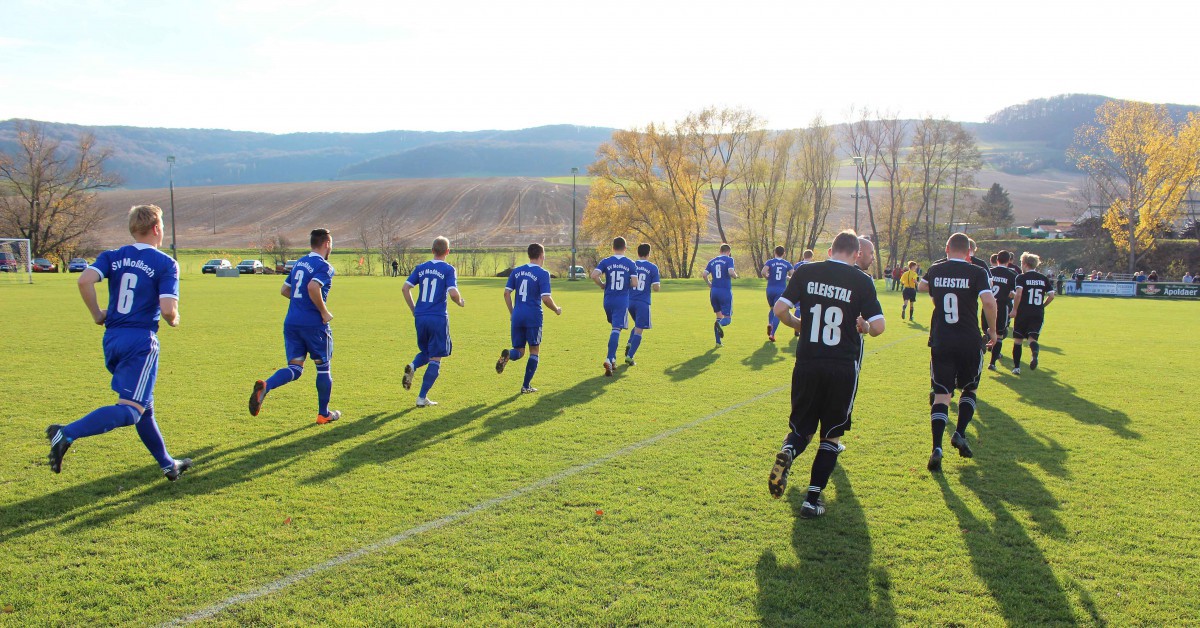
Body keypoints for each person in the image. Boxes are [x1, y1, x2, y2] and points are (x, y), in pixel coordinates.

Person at [48, 204, 191, 480]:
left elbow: (84, 280)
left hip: (112, 338)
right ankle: (65, 433)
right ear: (157, 228)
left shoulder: (114, 256)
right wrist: (174, 319)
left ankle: (168, 465)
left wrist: (97, 314)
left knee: (143, 406)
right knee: (131, 411)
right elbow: (167, 310)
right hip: (140, 341)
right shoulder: (165, 263)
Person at [766, 230, 885, 518]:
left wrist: (798, 324)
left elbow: (780, 308)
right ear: (856, 254)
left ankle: (790, 452)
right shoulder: (862, 280)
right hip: (841, 366)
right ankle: (812, 500)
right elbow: (878, 327)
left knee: (801, 429)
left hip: (807, 363)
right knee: (831, 435)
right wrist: (865, 327)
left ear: (830, 249)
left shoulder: (807, 272)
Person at [918, 233, 998, 472]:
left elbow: (922, 286)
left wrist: (936, 292)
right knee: (969, 389)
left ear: (946, 248)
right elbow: (989, 302)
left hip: (942, 339)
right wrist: (992, 331)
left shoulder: (936, 269)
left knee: (942, 394)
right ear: (968, 252)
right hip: (968, 340)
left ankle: (937, 448)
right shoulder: (977, 272)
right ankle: (960, 433)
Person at [249, 228, 342, 424]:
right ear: (326, 244)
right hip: (313, 324)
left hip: (291, 322)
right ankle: (323, 414)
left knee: (295, 368)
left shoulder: (299, 263)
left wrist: (302, 303)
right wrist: (323, 311)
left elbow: (285, 290)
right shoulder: (324, 266)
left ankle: (266, 385)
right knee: (323, 368)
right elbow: (312, 287)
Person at [401, 236, 465, 407]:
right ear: (447, 252)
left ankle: (413, 366)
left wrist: (414, 309)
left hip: (421, 316)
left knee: (427, 352)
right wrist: (460, 302)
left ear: (432, 250)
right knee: (436, 358)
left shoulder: (421, 268)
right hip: (437, 317)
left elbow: (405, 288)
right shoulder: (448, 269)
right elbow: (452, 293)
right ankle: (422, 398)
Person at [496, 243, 562, 393]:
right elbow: (546, 299)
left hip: (517, 315)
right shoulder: (543, 273)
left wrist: (512, 312)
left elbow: (506, 293)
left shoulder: (516, 271)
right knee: (534, 351)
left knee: (519, 351)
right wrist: (556, 309)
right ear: (541, 255)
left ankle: (508, 355)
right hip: (533, 316)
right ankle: (526, 386)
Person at [591, 237, 639, 376]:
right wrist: (626, 284)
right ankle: (609, 357)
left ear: (613, 248)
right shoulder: (630, 263)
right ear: (625, 248)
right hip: (621, 300)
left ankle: (613, 360)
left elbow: (594, 275)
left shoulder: (606, 261)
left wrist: (602, 285)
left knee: (615, 329)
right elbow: (635, 283)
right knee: (616, 330)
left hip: (607, 300)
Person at [1010, 252, 1055, 375]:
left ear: (1024, 264)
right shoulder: (1043, 278)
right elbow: (1051, 295)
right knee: (1031, 339)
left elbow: (1019, 294)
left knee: (1018, 340)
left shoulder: (1021, 277)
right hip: (1037, 312)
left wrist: (1014, 309)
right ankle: (1034, 353)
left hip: (1023, 312)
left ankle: (1016, 368)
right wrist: (1042, 305)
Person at [626, 243, 661, 363]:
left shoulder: (631, 265)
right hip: (643, 302)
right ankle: (630, 356)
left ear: (638, 253)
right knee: (639, 329)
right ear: (649, 253)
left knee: (637, 325)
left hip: (629, 301)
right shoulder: (652, 267)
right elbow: (656, 287)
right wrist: (657, 286)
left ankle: (630, 343)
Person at [987, 250, 1020, 371]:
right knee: (1000, 335)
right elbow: (1015, 293)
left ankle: (987, 340)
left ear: (997, 260)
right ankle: (992, 363)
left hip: (988, 305)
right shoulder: (1012, 274)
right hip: (1002, 307)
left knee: (988, 329)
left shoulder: (989, 272)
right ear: (1009, 261)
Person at [702, 243, 738, 347]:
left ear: (720, 251)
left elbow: (704, 274)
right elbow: (731, 272)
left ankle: (718, 342)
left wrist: (709, 283)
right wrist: (735, 276)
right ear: (729, 252)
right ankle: (720, 324)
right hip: (725, 291)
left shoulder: (712, 261)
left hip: (714, 292)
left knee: (718, 316)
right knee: (727, 318)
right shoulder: (729, 259)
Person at [763, 245, 793, 342]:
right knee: (778, 312)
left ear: (774, 252)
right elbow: (794, 274)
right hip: (781, 290)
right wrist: (788, 278)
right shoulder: (786, 264)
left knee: (772, 308)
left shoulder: (770, 262)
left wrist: (767, 277)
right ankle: (772, 334)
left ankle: (769, 323)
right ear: (784, 253)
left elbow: (763, 272)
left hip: (770, 289)